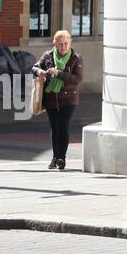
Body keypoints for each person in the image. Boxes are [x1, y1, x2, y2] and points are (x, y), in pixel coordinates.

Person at [32, 30, 82, 171]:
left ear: (70, 43)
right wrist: (40, 72)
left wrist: (59, 73)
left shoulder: (75, 58)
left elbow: (77, 80)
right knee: (54, 127)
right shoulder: (48, 56)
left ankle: (62, 158)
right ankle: (55, 157)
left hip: (69, 98)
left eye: (66, 44)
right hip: (51, 97)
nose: (63, 47)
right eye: (60, 44)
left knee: (63, 125)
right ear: (55, 44)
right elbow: (34, 67)